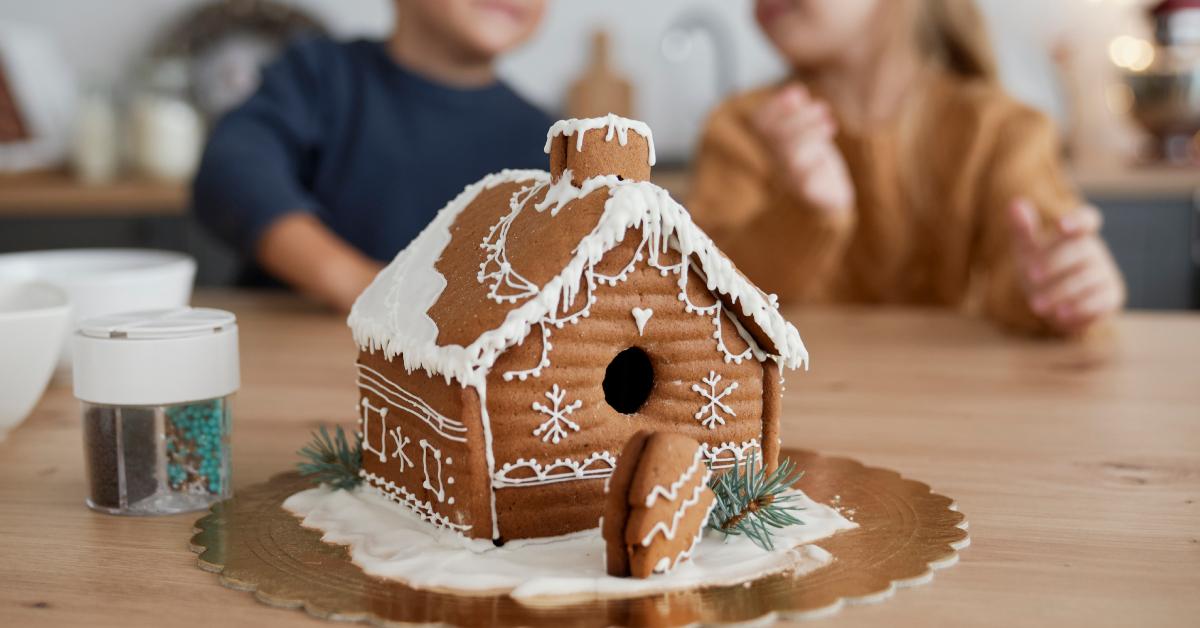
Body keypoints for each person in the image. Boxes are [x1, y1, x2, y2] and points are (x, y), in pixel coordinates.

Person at [689, 0, 1124, 336]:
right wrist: (803, 214)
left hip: (962, 420)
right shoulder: (739, 129)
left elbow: (1030, 275)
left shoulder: (1003, 132)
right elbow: (700, 303)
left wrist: (1062, 287)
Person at [193, 0, 551, 311]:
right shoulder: (317, 75)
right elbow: (232, 169)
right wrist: (348, 279)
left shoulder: (548, 140)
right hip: (290, 354)